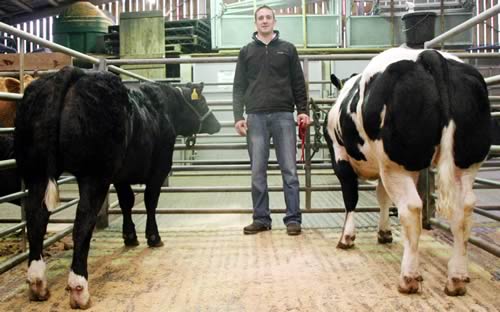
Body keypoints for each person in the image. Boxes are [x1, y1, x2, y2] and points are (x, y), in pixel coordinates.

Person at [232, 5, 310, 236]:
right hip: (255, 117)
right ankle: (261, 218)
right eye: (260, 18)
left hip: (284, 116)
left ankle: (293, 219)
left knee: (290, 170)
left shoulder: (288, 49)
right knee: (258, 171)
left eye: (268, 17)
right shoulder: (246, 52)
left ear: (274, 21)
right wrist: (238, 116)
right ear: (255, 23)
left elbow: (298, 82)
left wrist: (302, 111)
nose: (264, 21)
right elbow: (238, 87)